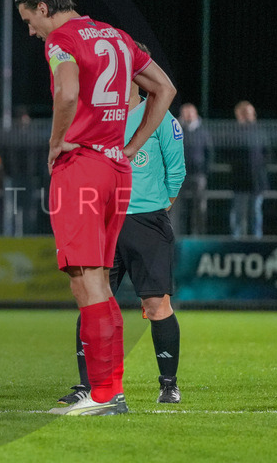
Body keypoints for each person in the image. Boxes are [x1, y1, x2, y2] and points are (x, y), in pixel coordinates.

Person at [14, 0, 176, 416]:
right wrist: (134, 145)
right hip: (116, 168)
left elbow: (66, 92)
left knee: (87, 281)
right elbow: (165, 89)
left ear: (43, 8)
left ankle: (105, 394)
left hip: (81, 167)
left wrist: (55, 141)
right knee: (99, 281)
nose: (30, 32)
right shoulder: (117, 36)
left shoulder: (62, 40)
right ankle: (108, 393)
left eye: (29, 21)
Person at [64, 65, 186, 407]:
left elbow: (176, 172)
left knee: (156, 304)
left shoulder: (160, 116)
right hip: (103, 223)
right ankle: (87, 386)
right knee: (92, 301)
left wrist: (153, 209)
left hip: (147, 223)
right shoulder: (98, 117)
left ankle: (168, 385)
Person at [227, 101, 268, 238]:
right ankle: (236, 239)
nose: (248, 116)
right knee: (238, 212)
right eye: (245, 113)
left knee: (255, 211)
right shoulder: (233, 133)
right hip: (239, 180)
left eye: (250, 113)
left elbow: (267, 153)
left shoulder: (260, 132)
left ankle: (256, 239)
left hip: (257, 180)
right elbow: (228, 154)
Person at [177, 102, 213, 235]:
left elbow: (209, 152)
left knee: (199, 207)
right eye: (186, 113)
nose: (188, 115)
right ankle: (177, 234)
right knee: (178, 207)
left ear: (196, 114)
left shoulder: (203, 132)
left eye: (191, 112)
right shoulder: (176, 130)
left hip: (198, 174)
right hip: (179, 175)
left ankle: (199, 234)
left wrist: (205, 170)